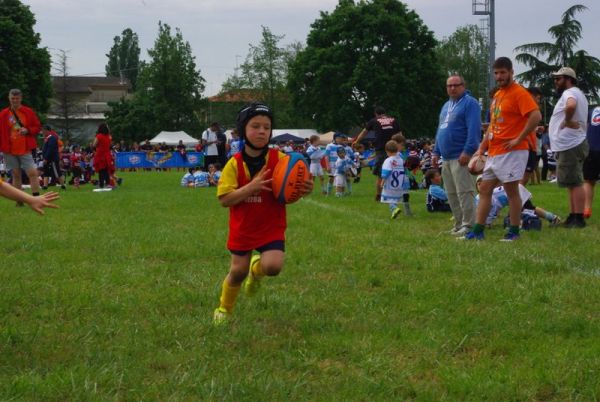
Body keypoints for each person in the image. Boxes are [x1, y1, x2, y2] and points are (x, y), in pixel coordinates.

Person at [213, 103, 313, 324]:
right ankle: (224, 308)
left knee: (273, 267)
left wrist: (304, 188)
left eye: (266, 127)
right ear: (242, 131)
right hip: (244, 227)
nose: (261, 131)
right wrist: (250, 187)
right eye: (255, 126)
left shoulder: (282, 160)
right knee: (237, 272)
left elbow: (294, 184)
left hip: (271, 225)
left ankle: (256, 272)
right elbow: (224, 200)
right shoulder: (234, 164)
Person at [462, 57, 542, 241]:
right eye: (496, 73)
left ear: (511, 72)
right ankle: (478, 231)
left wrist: (519, 138)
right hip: (496, 151)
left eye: (503, 72)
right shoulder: (498, 95)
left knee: (511, 191)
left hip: (513, 151)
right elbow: (493, 124)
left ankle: (514, 231)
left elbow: (536, 116)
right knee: (485, 189)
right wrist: (482, 147)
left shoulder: (519, 93)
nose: (499, 76)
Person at [432, 75, 481, 236]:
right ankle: (459, 223)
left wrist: (468, 151)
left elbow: (474, 130)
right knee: (451, 193)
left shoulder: (470, 103)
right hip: (446, 158)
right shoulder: (446, 105)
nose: (452, 88)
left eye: (456, 85)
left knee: (465, 191)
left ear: (463, 86)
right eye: (449, 86)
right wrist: (436, 151)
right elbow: (440, 129)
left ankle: (469, 224)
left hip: (461, 155)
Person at [548, 67, 590, 228]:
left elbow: (571, 106)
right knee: (572, 182)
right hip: (572, 144)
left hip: (570, 144)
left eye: (559, 79)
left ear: (568, 79)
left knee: (576, 181)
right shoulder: (579, 94)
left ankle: (578, 218)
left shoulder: (569, 93)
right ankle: (573, 216)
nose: (556, 82)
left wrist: (566, 121)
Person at [0, 88, 42, 203]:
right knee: (15, 174)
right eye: (12, 98)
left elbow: (37, 127)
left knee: (32, 173)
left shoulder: (28, 112)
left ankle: (36, 198)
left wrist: (27, 130)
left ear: (21, 99)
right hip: (9, 149)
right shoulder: (3, 114)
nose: (15, 101)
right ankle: (19, 200)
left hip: (25, 148)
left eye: (17, 98)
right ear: (9, 98)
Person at [475, 176, 561, 227]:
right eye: (478, 184)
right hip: (515, 191)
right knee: (529, 209)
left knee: (528, 210)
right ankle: (552, 217)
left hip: (516, 192)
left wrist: (487, 223)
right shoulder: (480, 197)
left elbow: (490, 212)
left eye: (482, 183)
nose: (480, 186)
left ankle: (552, 218)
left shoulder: (486, 197)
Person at [354, 106, 401, 201]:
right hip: (393, 148)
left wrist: (357, 141)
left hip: (381, 149)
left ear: (376, 114)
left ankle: (378, 195)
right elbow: (400, 135)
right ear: (385, 113)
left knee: (381, 173)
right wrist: (399, 147)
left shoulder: (374, 120)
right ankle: (394, 193)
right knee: (395, 171)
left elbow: (364, 132)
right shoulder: (393, 120)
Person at [380, 140, 409, 219]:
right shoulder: (400, 160)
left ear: (387, 151)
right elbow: (404, 169)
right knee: (394, 198)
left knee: (388, 198)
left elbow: (386, 172)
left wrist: (382, 182)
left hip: (390, 183)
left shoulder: (388, 160)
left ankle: (394, 208)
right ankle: (394, 213)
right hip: (399, 183)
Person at [583, 105, 600, 219]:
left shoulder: (592, 110)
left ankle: (587, 209)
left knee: (589, 181)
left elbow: (585, 128)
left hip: (591, 149)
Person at [41, 125, 66, 190]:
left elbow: (50, 149)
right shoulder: (46, 139)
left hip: (52, 159)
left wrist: (46, 158)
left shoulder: (52, 138)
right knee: (46, 172)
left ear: (47, 131)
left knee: (57, 172)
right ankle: (45, 186)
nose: (42, 132)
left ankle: (63, 185)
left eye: (43, 130)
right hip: (46, 159)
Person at [93, 123, 114, 190]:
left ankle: (101, 184)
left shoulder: (99, 136)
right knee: (106, 170)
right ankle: (108, 184)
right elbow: (110, 144)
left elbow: (94, 145)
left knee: (101, 170)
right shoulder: (109, 136)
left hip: (100, 154)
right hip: (107, 154)